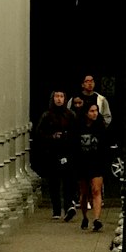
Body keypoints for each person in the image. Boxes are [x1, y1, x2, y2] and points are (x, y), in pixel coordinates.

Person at [34, 89, 77, 220]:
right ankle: (56, 209)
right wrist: (51, 136)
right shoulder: (47, 116)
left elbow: (76, 132)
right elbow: (39, 133)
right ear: (53, 98)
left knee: (68, 181)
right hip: (52, 152)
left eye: (61, 96)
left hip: (67, 151)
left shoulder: (70, 115)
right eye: (57, 96)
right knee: (54, 182)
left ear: (65, 99)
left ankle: (68, 205)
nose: (59, 99)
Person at [73, 101, 111, 231]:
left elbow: (105, 146)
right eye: (92, 111)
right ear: (86, 113)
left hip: (97, 162)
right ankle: (85, 216)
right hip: (82, 163)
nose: (95, 113)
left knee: (96, 190)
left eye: (96, 111)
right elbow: (73, 146)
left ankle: (96, 218)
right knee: (84, 193)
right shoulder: (78, 127)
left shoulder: (100, 127)